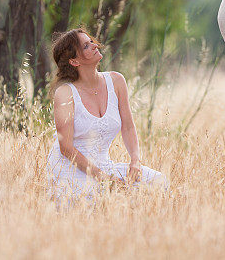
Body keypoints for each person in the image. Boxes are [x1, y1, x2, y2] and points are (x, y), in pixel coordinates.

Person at [46, 28, 166, 202]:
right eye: (86, 46)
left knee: (158, 182)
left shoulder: (116, 81)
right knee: (100, 199)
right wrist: (104, 179)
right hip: (72, 168)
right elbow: (66, 148)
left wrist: (135, 161)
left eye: (91, 41)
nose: (95, 45)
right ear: (74, 61)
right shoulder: (65, 93)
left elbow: (128, 126)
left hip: (104, 165)